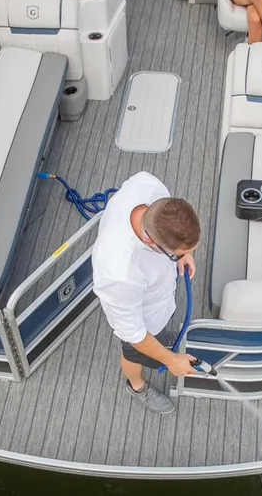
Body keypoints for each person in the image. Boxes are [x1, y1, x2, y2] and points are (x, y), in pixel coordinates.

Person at [92, 171, 201, 414]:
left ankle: (162, 340)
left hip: (159, 298)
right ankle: (137, 386)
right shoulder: (118, 272)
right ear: (151, 242)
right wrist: (171, 361)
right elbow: (133, 333)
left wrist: (182, 253)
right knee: (132, 355)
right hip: (144, 321)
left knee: (158, 334)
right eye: (177, 253)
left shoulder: (148, 186)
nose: (183, 256)